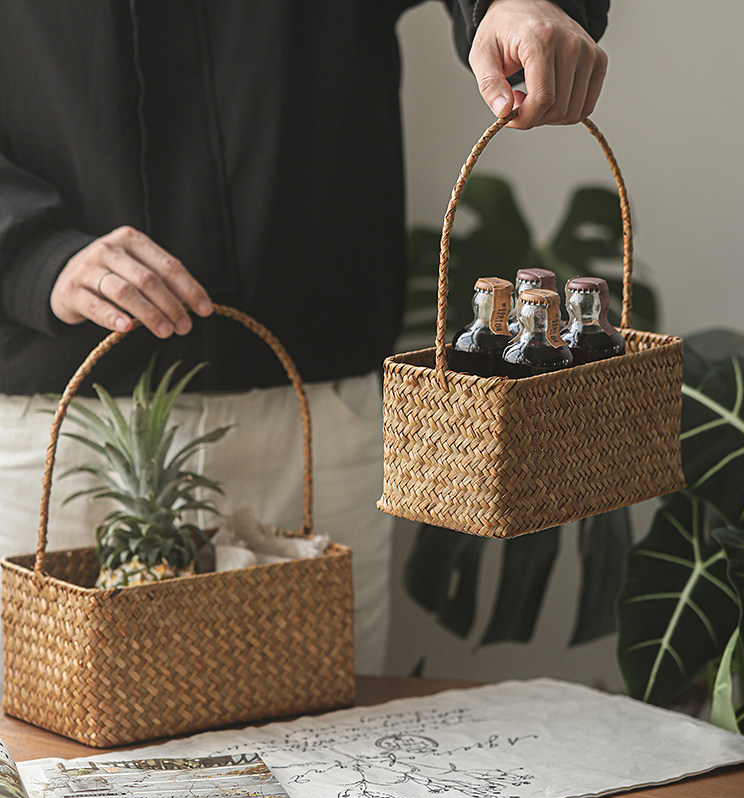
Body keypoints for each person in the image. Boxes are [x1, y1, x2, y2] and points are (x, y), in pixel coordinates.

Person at [0, 0, 610, 675]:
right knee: (59, 737)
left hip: (316, 416)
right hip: (67, 425)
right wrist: (29, 254)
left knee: (343, 733)